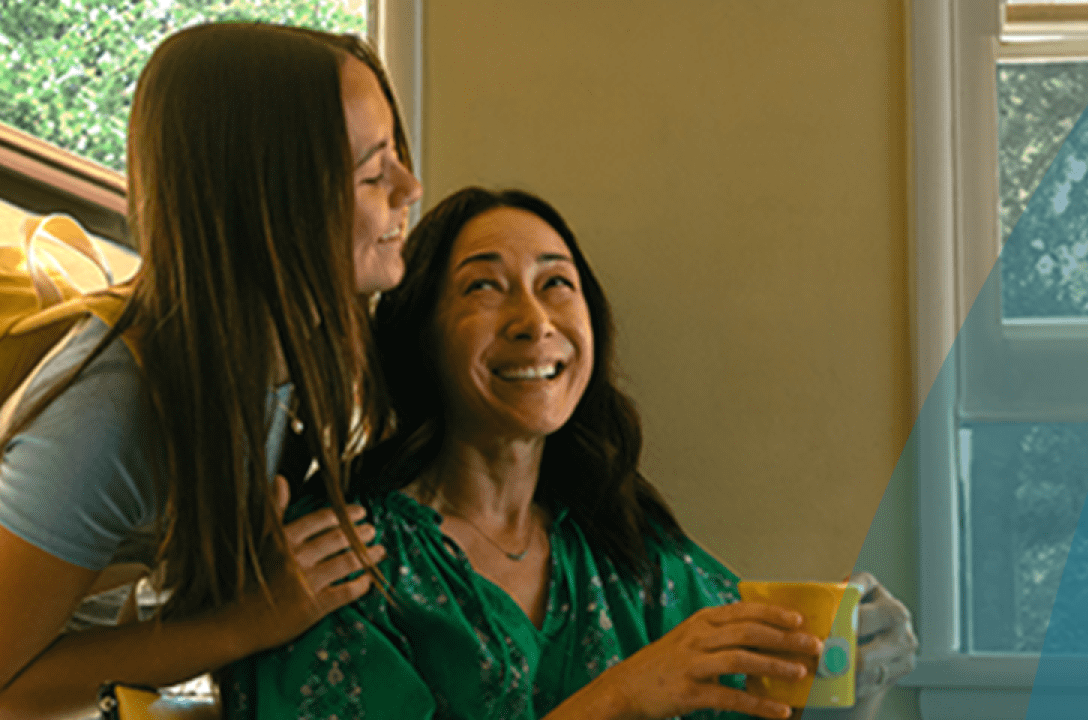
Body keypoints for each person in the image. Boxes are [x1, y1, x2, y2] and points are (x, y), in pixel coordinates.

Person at [0, 22, 426, 720]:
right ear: (266, 202)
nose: (409, 189)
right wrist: (252, 620)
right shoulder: (112, 407)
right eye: (372, 172)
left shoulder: (283, 352)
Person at [217, 188, 917, 720]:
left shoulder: (633, 556)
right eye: (484, 287)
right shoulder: (344, 556)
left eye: (557, 284)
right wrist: (618, 698)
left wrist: (844, 683)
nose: (534, 322)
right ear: (419, 335)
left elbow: (757, 703)